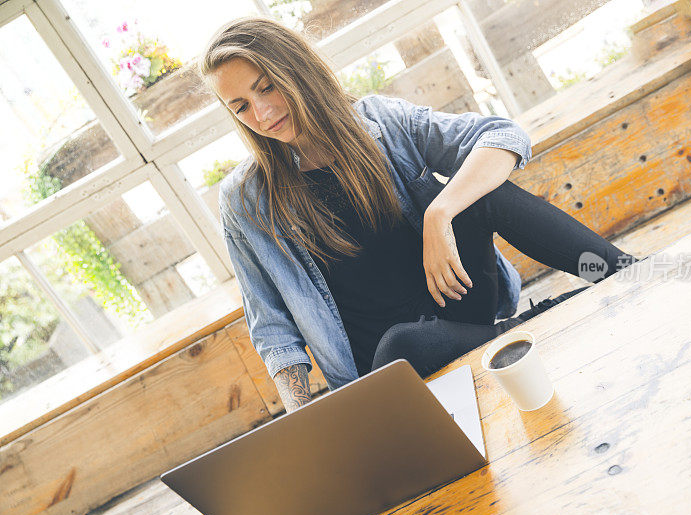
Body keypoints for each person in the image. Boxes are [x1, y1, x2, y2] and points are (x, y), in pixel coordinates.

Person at [201, 16, 639, 412]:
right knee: (404, 340)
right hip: (393, 363)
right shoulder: (245, 200)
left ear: (296, 72)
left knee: (484, 194)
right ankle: (534, 322)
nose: (261, 113)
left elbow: (503, 136)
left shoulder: (380, 123)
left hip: (459, 306)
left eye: (266, 86)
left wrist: (440, 213)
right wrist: (305, 421)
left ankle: (630, 273)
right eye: (240, 106)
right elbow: (273, 329)